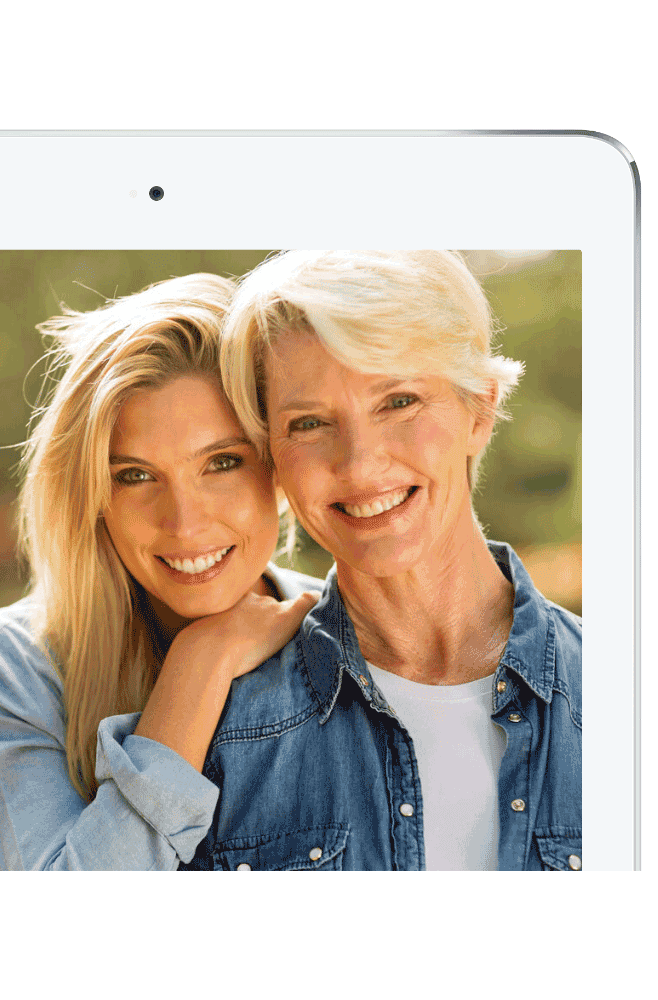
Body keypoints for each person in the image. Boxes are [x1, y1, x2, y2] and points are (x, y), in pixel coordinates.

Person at [180, 250, 581, 871]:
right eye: (309, 423)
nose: (361, 464)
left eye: (399, 402)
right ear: (272, 457)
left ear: (480, 408)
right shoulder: (211, 736)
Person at [0, 273, 320, 870]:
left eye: (222, 463)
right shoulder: (12, 670)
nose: (185, 524)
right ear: (94, 494)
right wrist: (200, 668)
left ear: (279, 469)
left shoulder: (354, 636)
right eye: (135, 476)